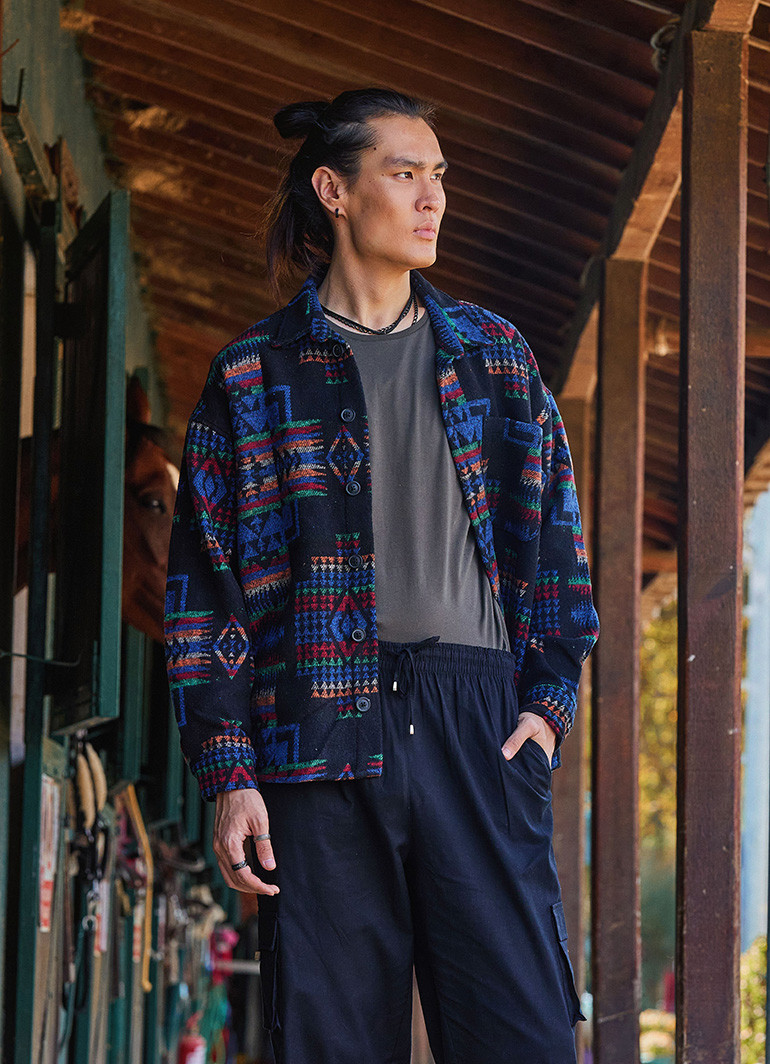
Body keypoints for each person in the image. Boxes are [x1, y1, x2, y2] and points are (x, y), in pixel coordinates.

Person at [164, 87, 599, 1064]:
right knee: (330, 1039)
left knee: (523, 1032)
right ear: (334, 190)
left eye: (438, 175)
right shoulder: (251, 376)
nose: (432, 197)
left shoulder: (494, 358)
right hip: (315, 728)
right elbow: (206, 597)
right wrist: (228, 773)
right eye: (405, 174)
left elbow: (556, 550)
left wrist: (545, 707)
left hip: (475, 722)